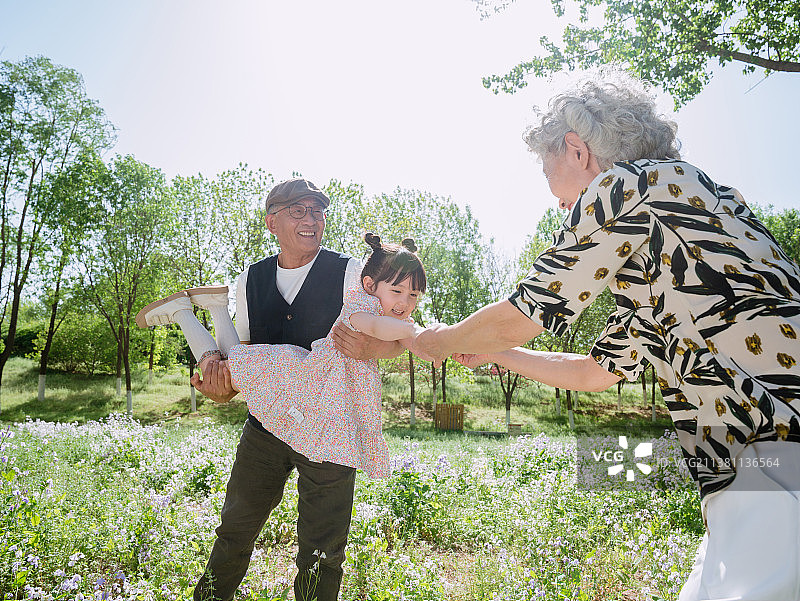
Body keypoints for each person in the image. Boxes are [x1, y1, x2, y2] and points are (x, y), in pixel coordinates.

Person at [414, 74, 800, 601]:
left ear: (578, 151)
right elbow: (594, 372)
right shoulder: (682, 227)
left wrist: (439, 340)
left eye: (555, 184)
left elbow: (531, 307)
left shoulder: (629, 188)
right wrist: (497, 352)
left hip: (773, 452)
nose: (560, 208)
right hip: (753, 470)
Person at [158, 178, 406, 601]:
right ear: (271, 221)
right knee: (235, 531)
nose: (311, 219)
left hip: (330, 434)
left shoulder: (350, 272)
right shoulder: (249, 281)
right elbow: (248, 356)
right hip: (266, 430)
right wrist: (222, 389)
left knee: (323, 552)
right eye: (298, 210)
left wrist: (377, 346)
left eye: (318, 210)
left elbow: (398, 333)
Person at [136, 232, 427, 478]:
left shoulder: (371, 298)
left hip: (313, 392)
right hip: (302, 382)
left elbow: (394, 338)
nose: (404, 302)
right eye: (397, 291)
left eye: (413, 295)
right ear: (369, 285)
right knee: (224, 369)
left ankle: (214, 306)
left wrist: (420, 341)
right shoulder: (360, 309)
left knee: (230, 364)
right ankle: (183, 314)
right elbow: (382, 328)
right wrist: (415, 332)